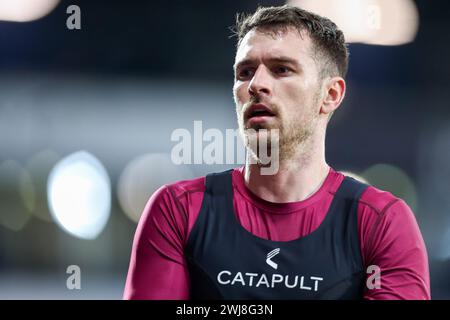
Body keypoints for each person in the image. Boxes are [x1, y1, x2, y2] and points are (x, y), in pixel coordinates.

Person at [123, 5, 430, 300]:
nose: (256, 84)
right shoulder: (178, 210)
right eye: (244, 72)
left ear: (330, 94)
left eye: (281, 69)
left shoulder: (381, 222)